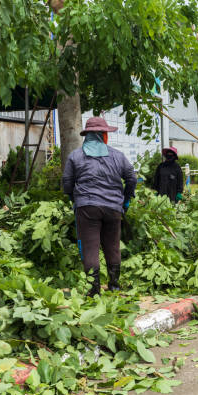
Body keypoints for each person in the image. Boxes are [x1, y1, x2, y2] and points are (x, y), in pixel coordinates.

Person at [62, 117, 137, 297]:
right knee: (112, 246)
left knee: (90, 248)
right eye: (106, 134)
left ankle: (93, 290)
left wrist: (75, 199)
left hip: (86, 208)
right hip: (113, 208)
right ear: (103, 136)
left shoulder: (75, 156)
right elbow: (132, 178)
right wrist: (125, 200)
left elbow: (66, 182)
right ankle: (114, 286)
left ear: (88, 136)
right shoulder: (117, 156)